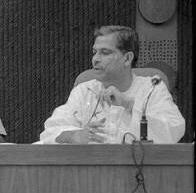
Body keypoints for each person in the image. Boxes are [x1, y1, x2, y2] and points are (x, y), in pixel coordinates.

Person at [39, 25, 185, 144]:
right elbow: (50, 131)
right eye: (94, 52)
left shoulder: (152, 89)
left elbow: (174, 129)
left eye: (105, 53)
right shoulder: (84, 90)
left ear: (127, 58)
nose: (95, 59)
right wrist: (74, 136)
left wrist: (129, 104)